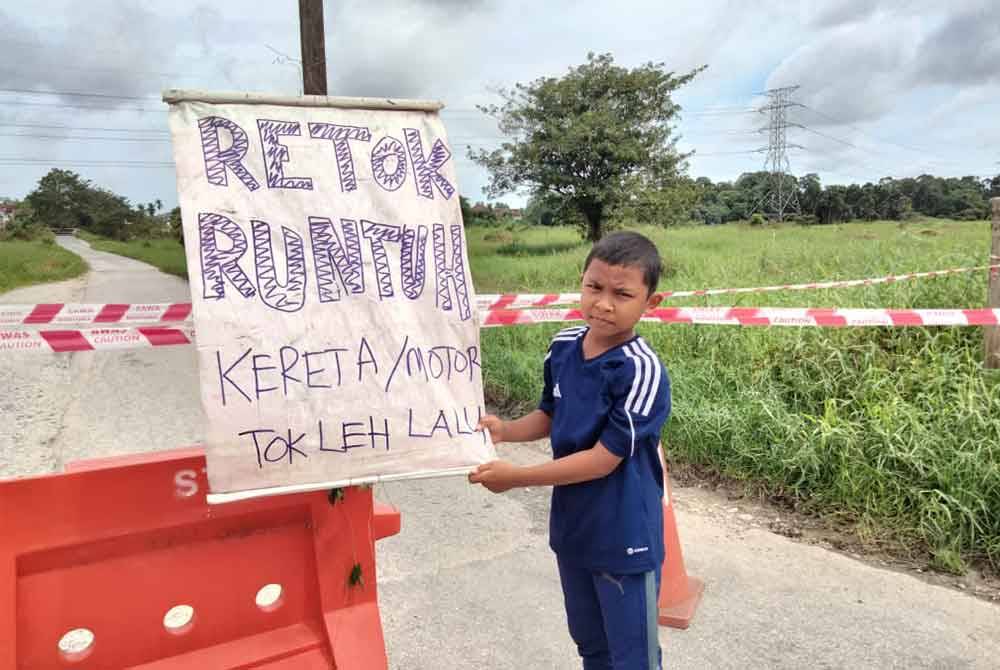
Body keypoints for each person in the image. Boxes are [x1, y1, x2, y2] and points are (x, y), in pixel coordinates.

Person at [470, 230, 671, 670]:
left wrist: (516, 478)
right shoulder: (563, 346)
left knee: (633, 658)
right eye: (594, 287)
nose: (603, 303)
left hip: (624, 539)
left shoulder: (640, 370)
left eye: (622, 294)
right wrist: (505, 430)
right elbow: (550, 413)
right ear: (581, 281)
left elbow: (604, 459)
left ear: (649, 304)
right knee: (591, 648)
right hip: (574, 531)